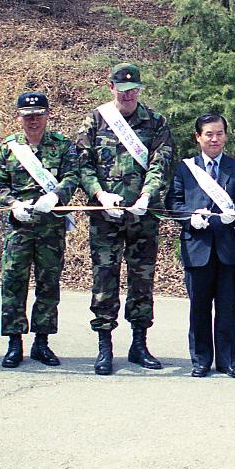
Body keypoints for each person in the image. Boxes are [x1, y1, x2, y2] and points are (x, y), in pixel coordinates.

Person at [77, 62, 174, 375]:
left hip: (142, 216)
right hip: (106, 216)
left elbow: (162, 162)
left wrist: (148, 195)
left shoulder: (156, 122)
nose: (129, 95)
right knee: (104, 278)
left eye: (134, 90)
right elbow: (83, 165)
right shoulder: (95, 120)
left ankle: (139, 343)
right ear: (111, 88)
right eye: (123, 90)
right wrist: (100, 195)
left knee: (142, 280)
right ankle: (105, 346)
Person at [0, 92, 80, 369]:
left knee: (48, 284)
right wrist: (13, 204)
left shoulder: (62, 145)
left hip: (51, 227)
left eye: (38, 115)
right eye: (27, 116)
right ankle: (14, 342)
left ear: (47, 115)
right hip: (20, 227)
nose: (33, 120)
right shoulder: (9, 147)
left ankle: (42, 342)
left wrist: (57, 196)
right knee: (13, 282)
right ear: (19, 117)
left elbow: (72, 176)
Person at [167, 113, 235, 378]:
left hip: (229, 248)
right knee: (199, 306)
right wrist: (190, 218)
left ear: (225, 136)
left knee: (228, 306)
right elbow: (174, 202)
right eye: (209, 134)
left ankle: (229, 361)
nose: (214, 139)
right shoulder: (185, 168)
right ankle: (201, 359)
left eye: (219, 133)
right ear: (198, 137)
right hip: (197, 247)